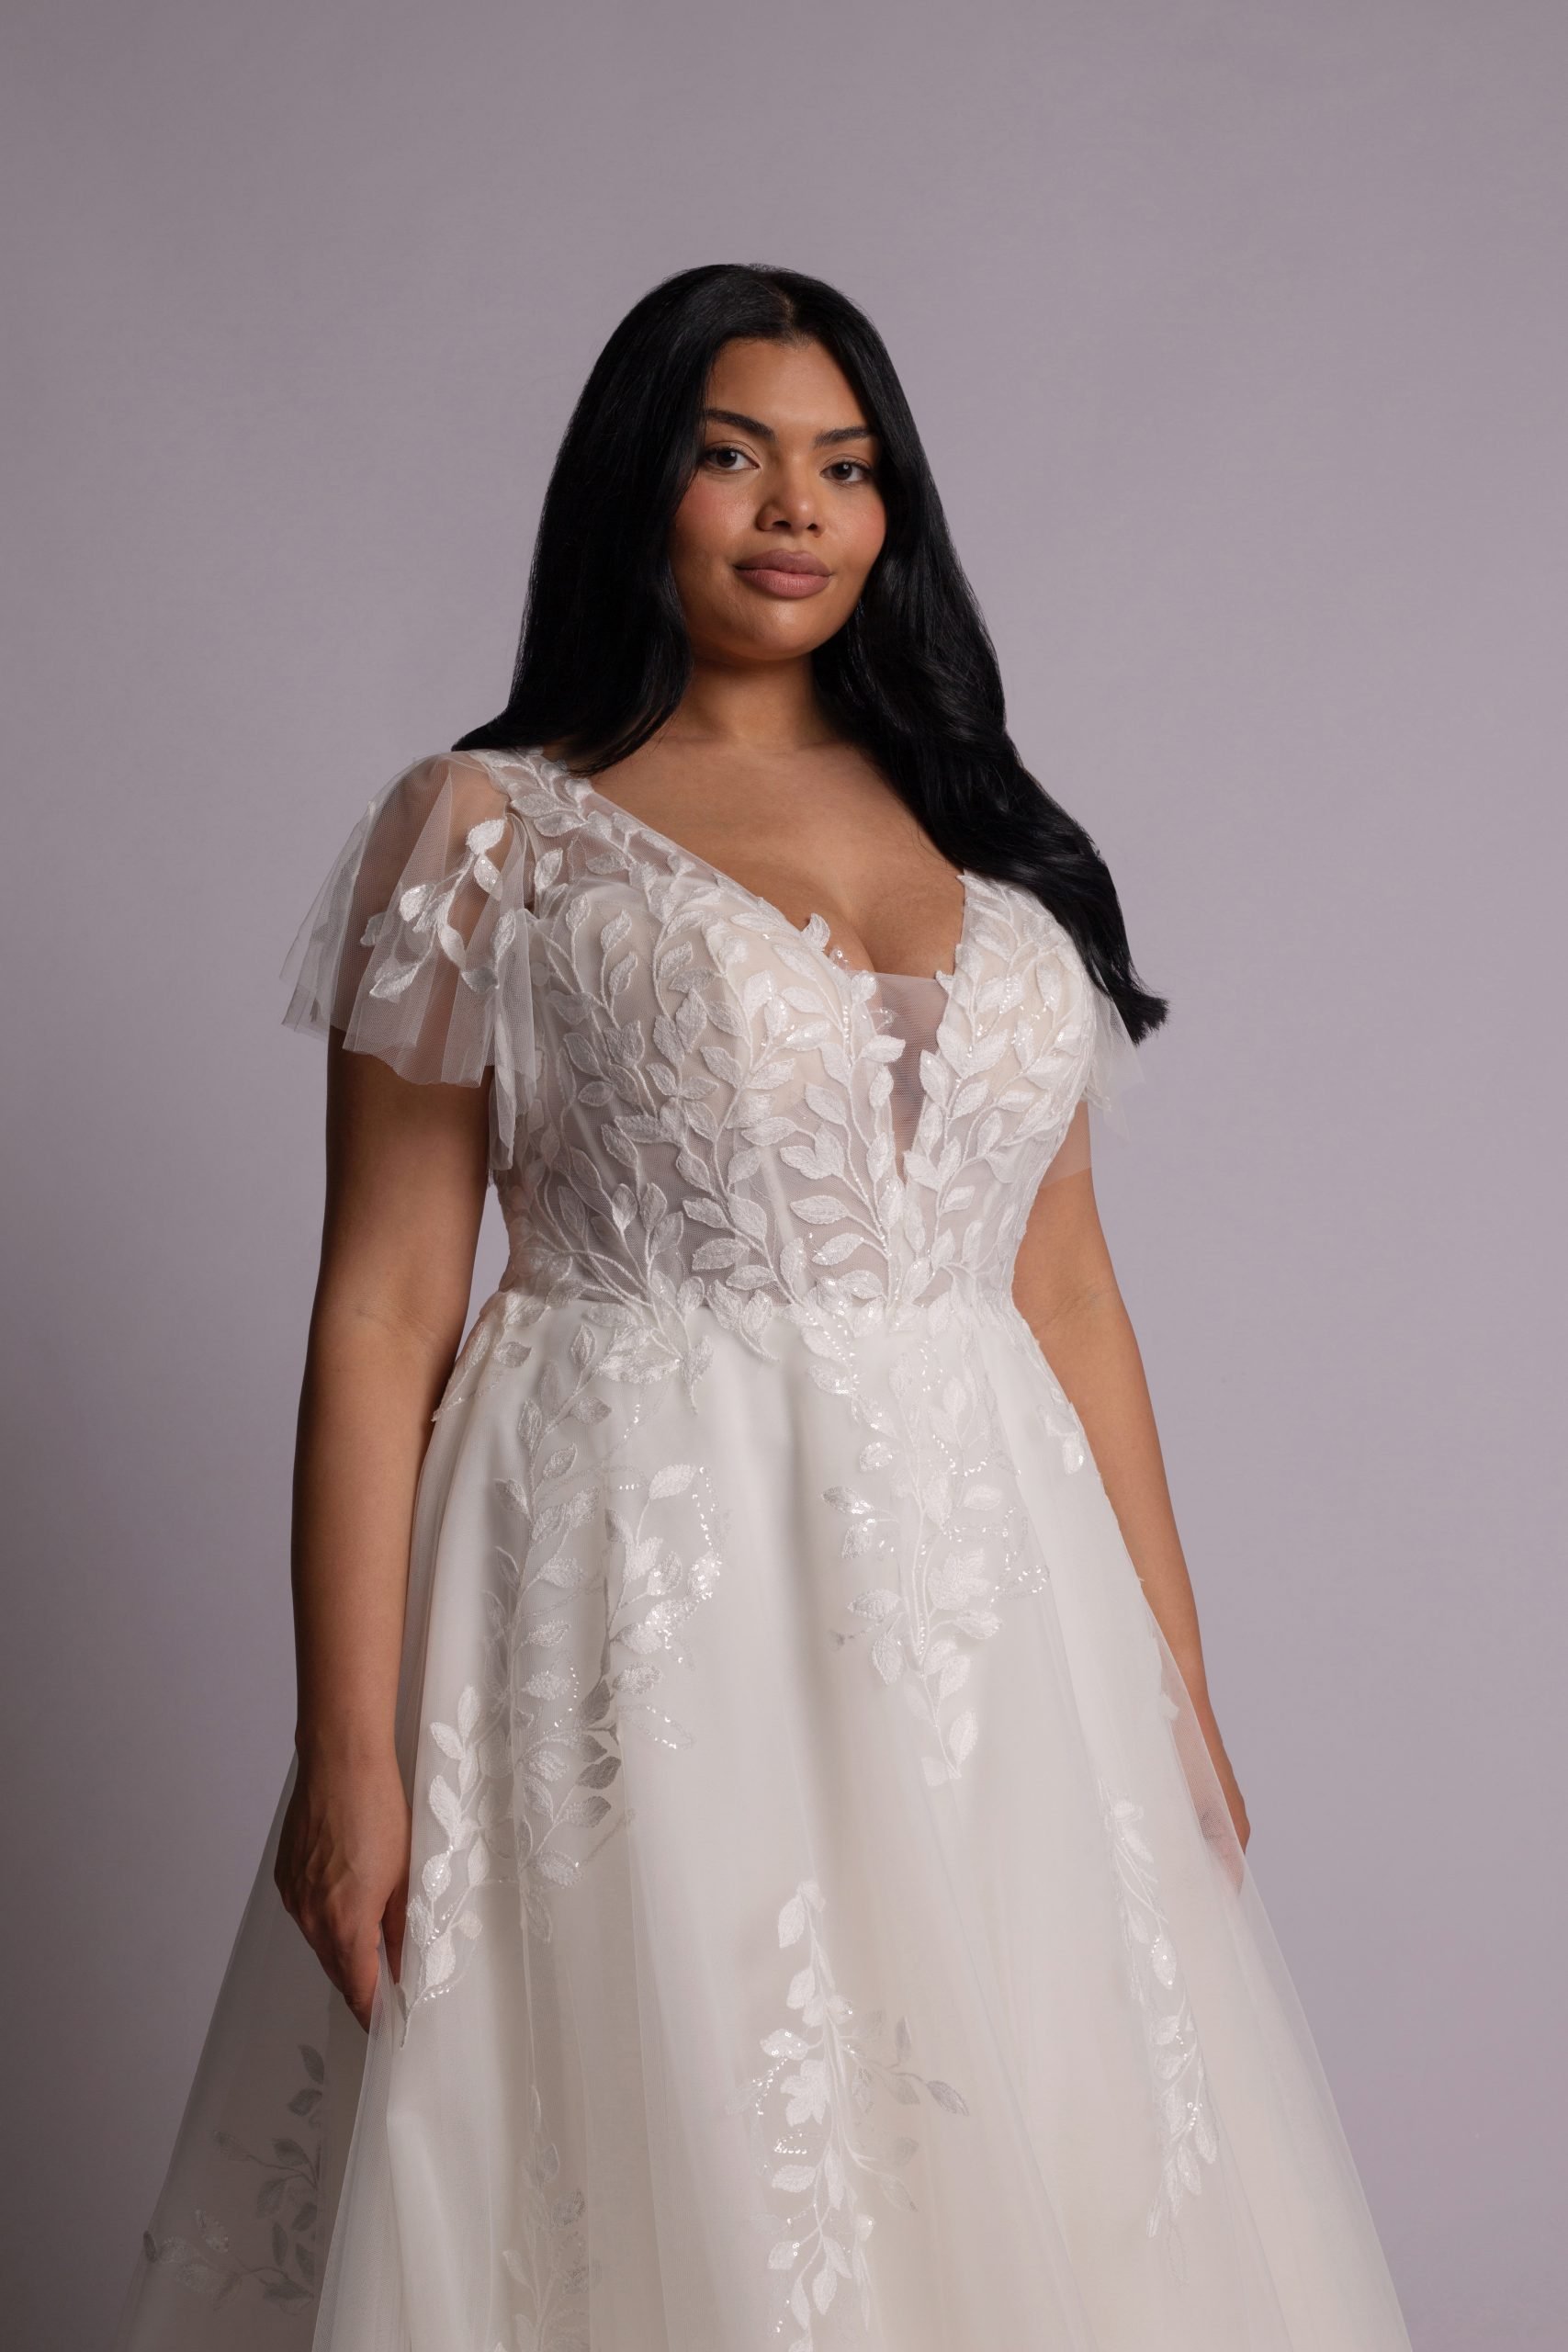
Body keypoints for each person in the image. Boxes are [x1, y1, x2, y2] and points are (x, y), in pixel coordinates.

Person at [112, 263, 1414, 2350]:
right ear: (638, 483)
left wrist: (1176, 1694)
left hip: (995, 1627)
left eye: (846, 465)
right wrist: (343, 1748)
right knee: (674, 2157)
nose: (796, 507)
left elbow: (1069, 1292)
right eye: (734, 454)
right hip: (637, 1585)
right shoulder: (487, 830)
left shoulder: (993, 837)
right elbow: (380, 1311)